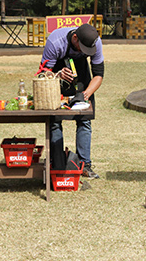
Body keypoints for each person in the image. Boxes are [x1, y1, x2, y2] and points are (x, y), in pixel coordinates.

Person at [40, 23, 104, 179]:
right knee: (54, 120)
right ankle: (58, 163)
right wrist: (58, 74)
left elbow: (98, 74)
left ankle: (84, 165)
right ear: (75, 37)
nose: (83, 51)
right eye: (81, 47)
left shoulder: (95, 42)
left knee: (85, 120)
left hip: (82, 77)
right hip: (57, 78)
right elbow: (43, 73)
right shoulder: (55, 42)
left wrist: (85, 95)